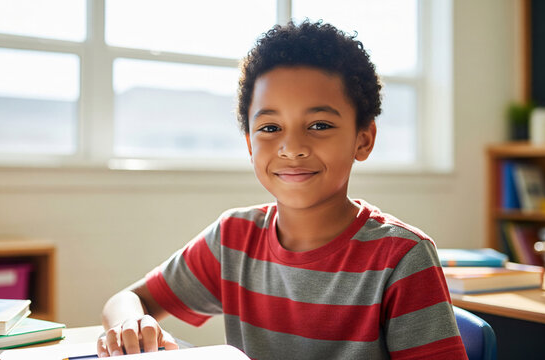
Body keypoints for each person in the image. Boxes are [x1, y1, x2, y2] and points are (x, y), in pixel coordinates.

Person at [98, 20, 468, 359]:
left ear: (363, 139)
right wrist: (130, 323)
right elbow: (128, 299)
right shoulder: (234, 239)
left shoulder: (402, 258)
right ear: (249, 144)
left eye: (320, 125)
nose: (292, 148)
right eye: (270, 128)